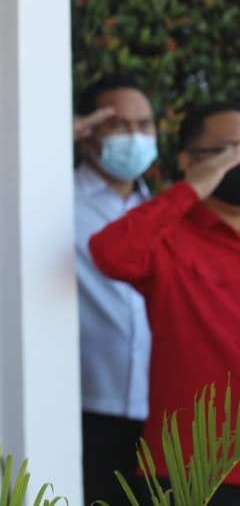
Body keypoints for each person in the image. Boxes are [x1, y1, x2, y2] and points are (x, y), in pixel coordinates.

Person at [90, 101, 240, 504]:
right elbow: (110, 251)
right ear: (193, 160)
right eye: (231, 150)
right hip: (193, 469)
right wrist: (189, 191)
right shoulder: (169, 235)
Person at [71, 75, 156, 506]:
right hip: (88, 405)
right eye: (119, 125)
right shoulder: (57, 197)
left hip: (158, 408)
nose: (136, 137)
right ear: (88, 130)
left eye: (145, 125)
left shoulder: (161, 209)